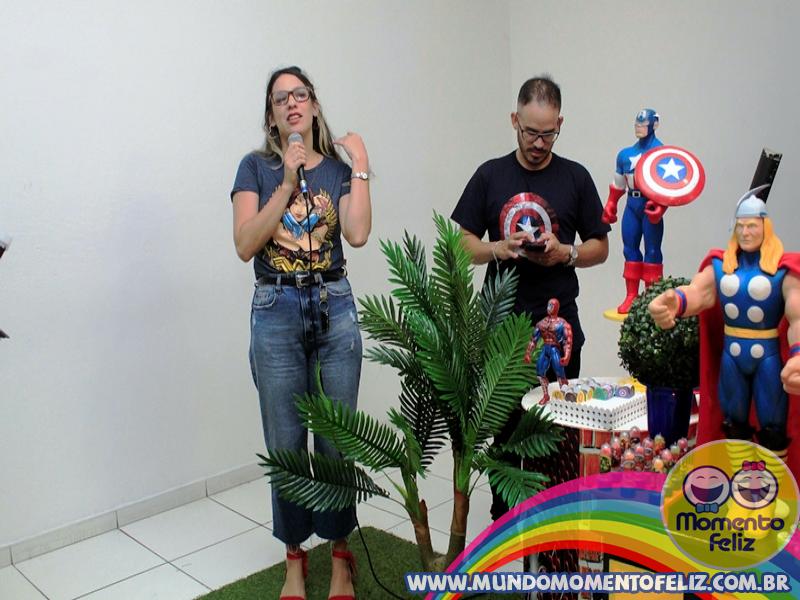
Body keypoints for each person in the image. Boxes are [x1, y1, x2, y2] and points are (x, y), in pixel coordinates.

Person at [451, 75, 609, 582]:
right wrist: (500, 248)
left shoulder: (576, 177)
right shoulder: (490, 175)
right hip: (502, 330)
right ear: (514, 120)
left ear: (559, 124)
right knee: (505, 440)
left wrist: (567, 253)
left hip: (560, 332)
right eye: (530, 132)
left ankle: (554, 550)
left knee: (556, 438)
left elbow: (601, 247)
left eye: (548, 134)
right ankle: (506, 539)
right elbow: (462, 244)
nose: (539, 144)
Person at [231, 65, 371, 600]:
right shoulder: (255, 168)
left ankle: (339, 555)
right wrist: (287, 184)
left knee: (336, 439)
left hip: (333, 305)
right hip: (276, 309)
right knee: (286, 441)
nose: (291, 103)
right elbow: (245, 243)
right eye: (280, 98)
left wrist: (361, 166)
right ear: (271, 116)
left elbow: (357, 233)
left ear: (313, 106)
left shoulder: (336, 170)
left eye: (300, 94)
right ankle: (294, 557)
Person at [648, 186, 800, 480]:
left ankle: (775, 488)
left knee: (773, 426)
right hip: (732, 359)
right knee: (733, 423)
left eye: (752, 225)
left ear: (765, 227)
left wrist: (797, 355)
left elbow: (797, 316)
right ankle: (742, 485)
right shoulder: (721, 266)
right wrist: (673, 302)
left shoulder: (783, 271)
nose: (746, 232)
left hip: (767, 358)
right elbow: (698, 293)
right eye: (741, 226)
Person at [602, 109, 666, 313]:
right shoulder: (625, 155)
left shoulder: (661, 153)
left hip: (650, 205)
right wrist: (611, 204)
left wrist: (661, 206)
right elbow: (618, 184)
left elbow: (668, 185)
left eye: (643, 124)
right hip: (632, 204)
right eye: (637, 124)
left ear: (654, 125)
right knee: (629, 249)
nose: (639, 128)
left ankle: (652, 297)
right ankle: (631, 295)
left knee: (652, 251)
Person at [524, 298, 572, 404]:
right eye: (548, 305)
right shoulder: (542, 323)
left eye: (551, 306)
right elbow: (533, 340)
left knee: (559, 372)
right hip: (545, 348)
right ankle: (546, 395)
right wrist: (528, 353)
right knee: (539, 371)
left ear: (556, 307)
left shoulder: (562, 323)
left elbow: (567, 341)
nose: (549, 308)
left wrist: (567, 355)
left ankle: (564, 395)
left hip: (554, 349)